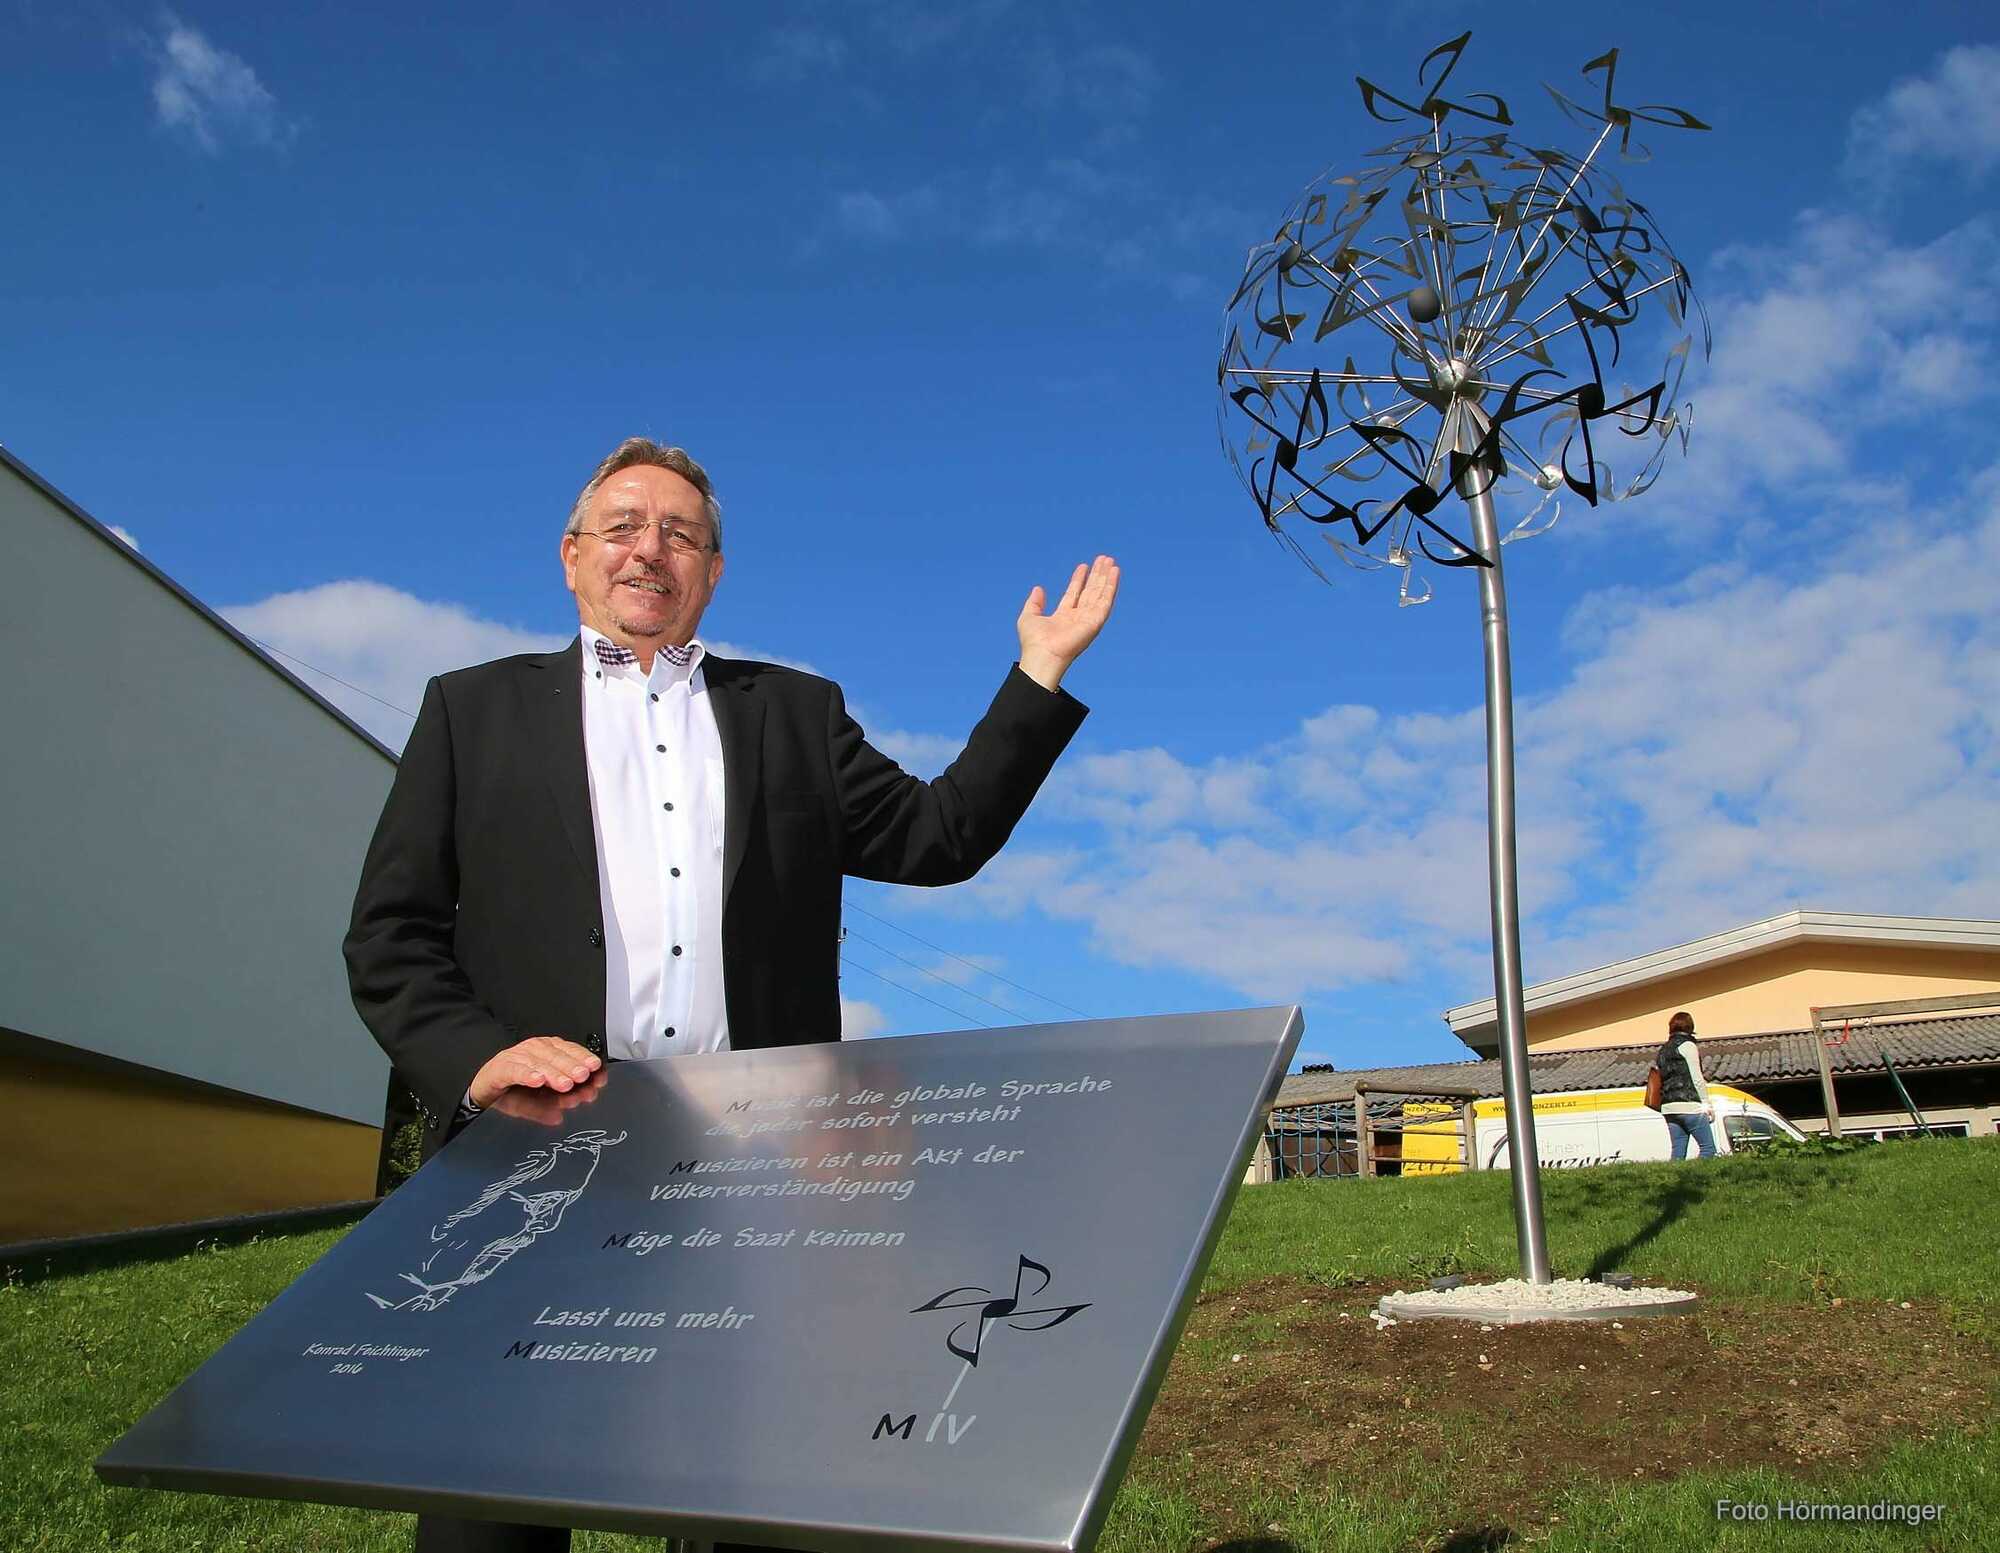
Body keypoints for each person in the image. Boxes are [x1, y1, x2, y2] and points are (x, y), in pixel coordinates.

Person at [343, 436, 1119, 1553]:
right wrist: (476, 1058)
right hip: (534, 1149)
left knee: (748, 1487)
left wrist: (1036, 675)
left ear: (712, 571)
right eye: (621, 526)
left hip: (755, 1165)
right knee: (491, 1502)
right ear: (571, 555)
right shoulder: (471, 711)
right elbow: (391, 934)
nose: (648, 548)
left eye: (680, 534)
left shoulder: (792, 714)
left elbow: (938, 835)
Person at [1656, 1010, 1715, 1160]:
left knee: (1678, 1151)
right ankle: (1699, 1175)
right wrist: (1706, 1104)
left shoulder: (1663, 1050)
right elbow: (1697, 1078)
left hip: (1668, 1107)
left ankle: (1674, 1175)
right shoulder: (1688, 1045)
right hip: (1689, 1105)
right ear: (1690, 1027)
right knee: (1708, 1149)